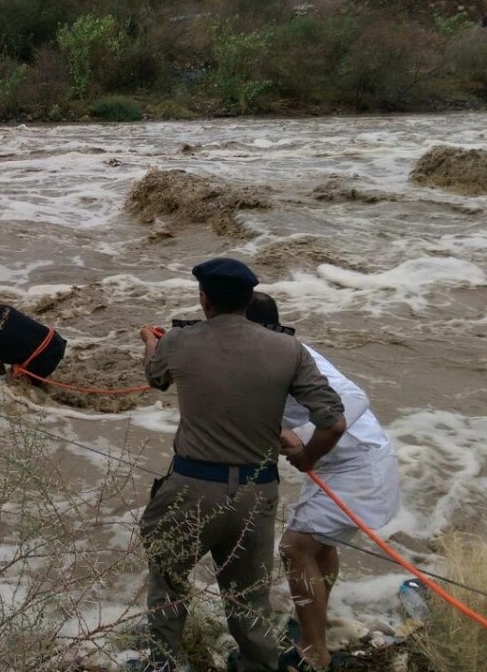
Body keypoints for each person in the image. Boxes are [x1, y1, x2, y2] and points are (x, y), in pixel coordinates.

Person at [138, 258, 346, 672]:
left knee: (169, 585)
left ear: (203, 299)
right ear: (250, 299)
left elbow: (155, 377)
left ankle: (166, 664)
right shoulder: (290, 349)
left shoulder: (179, 341)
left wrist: (150, 342)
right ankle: (259, 664)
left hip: (190, 487)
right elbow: (333, 421)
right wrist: (306, 457)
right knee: (248, 595)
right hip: (256, 492)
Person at [245, 293, 401, 672]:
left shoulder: (294, 356)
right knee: (318, 545)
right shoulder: (260, 350)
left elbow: (352, 398)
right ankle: (314, 624)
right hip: (341, 461)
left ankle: (314, 651)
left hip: (357, 465)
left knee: (295, 548)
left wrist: (308, 449)